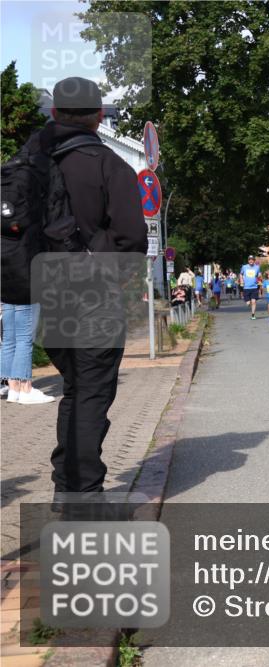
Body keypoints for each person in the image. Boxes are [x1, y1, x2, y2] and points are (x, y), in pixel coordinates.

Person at [39, 77, 147, 497]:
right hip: (94, 295)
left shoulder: (32, 164)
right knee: (91, 395)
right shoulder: (110, 165)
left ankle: (65, 486)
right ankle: (84, 495)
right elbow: (133, 237)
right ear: (99, 117)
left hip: (44, 294)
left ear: (54, 114)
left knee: (75, 390)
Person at [2, 303, 55, 405]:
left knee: (9, 339)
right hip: (24, 292)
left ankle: (13, 389)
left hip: (6, 292)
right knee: (24, 339)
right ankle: (26, 389)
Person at [240, 255, 263, 320]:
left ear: (254, 260)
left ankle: (253, 315)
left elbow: (259, 275)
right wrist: (241, 281)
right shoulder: (244, 267)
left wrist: (260, 278)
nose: (251, 261)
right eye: (250, 259)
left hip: (254, 287)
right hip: (246, 287)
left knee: (254, 301)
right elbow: (241, 274)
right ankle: (248, 302)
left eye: (252, 259)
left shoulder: (257, 267)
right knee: (248, 303)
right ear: (248, 260)